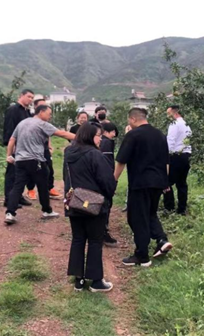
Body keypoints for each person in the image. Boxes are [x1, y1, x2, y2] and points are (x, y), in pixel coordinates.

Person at [114, 108, 173, 267]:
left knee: (137, 218)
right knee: (150, 213)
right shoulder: (160, 135)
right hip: (158, 182)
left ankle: (142, 256)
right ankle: (161, 240)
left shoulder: (133, 135)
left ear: (133, 119)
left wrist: (113, 181)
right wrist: (165, 182)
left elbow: (121, 160)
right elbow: (166, 162)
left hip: (140, 183)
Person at [64, 122, 117, 292]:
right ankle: (96, 281)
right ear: (90, 136)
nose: (100, 139)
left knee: (78, 239)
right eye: (98, 136)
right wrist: (108, 196)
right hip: (94, 204)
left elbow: (66, 179)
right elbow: (107, 181)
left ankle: (78, 280)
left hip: (75, 202)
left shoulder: (68, 153)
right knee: (95, 241)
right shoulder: (95, 155)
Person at [5, 105, 75, 224]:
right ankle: (47, 211)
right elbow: (63, 134)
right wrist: (85, 138)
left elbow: (12, 140)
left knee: (17, 187)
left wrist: (9, 155)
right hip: (35, 161)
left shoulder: (22, 123)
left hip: (20, 161)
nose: (50, 116)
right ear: (41, 112)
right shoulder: (42, 124)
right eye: (49, 114)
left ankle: (10, 213)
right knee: (43, 185)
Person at [3, 89, 34, 207]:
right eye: (29, 96)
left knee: (22, 174)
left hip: (25, 147)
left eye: (32, 98)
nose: (30, 99)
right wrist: (11, 147)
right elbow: (9, 128)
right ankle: (9, 199)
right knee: (12, 173)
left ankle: (18, 197)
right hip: (15, 146)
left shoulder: (27, 112)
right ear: (21, 96)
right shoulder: (13, 109)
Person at [26, 98, 62, 200]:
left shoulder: (45, 120)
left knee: (49, 168)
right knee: (32, 169)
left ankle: (50, 188)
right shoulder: (30, 119)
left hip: (44, 148)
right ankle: (31, 189)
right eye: (42, 105)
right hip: (32, 148)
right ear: (36, 107)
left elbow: (48, 133)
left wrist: (49, 145)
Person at [164, 105, 192, 215]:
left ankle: (169, 207)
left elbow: (170, 141)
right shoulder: (187, 124)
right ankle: (182, 209)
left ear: (174, 113)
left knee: (167, 182)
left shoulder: (174, 124)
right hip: (187, 155)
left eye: (168, 114)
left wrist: (166, 156)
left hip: (176, 155)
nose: (167, 116)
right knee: (182, 183)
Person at [100, 122, 118, 247]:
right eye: (113, 132)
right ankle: (103, 233)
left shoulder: (105, 142)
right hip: (105, 178)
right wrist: (111, 180)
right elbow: (107, 163)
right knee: (105, 204)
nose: (114, 134)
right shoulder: (106, 143)